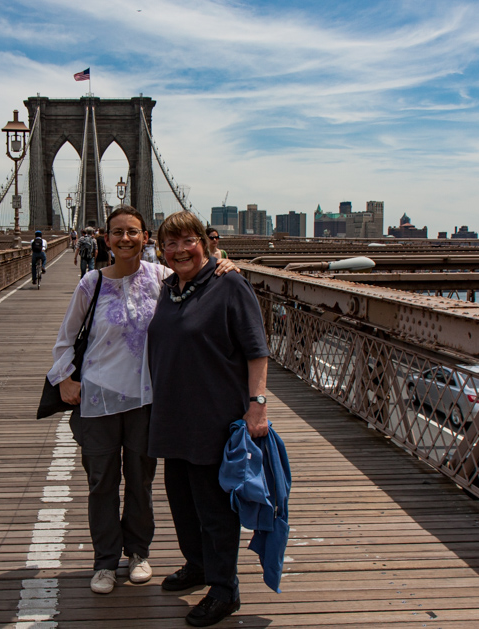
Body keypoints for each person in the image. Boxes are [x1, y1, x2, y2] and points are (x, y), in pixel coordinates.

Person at [48, 206, 239, 596]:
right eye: (117, 232)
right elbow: (65, 339)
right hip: (98, 400)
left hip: (147, 399)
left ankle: (137, 553)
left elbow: (200, 278)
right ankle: (104, 562)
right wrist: (65, 378)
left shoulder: (163, 278)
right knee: (102, 482)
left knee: (141, 481)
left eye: (133, 232)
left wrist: (224, 264)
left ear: (146, 237)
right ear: (106, 239)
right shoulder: (91, 283)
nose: (125, 239)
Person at [147, 211, 270, 627]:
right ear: (161, 249)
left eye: (188, 241)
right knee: (181, 500)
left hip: (212, 415)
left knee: (214, 507)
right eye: (171, 243)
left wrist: (257, 403)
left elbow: (256, 349)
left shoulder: (228, 283)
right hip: (171, 413)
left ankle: (224, 588)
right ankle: (196, 565)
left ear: (205, 242)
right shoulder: (168, 287)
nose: (180, 250)